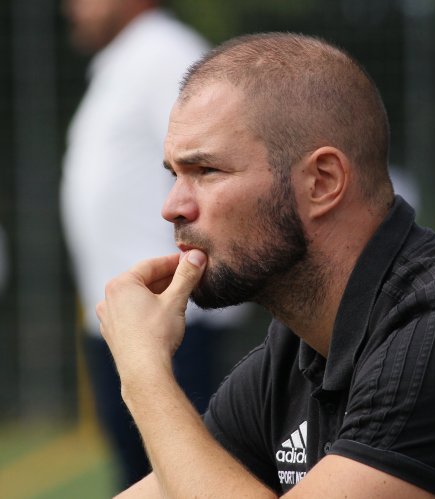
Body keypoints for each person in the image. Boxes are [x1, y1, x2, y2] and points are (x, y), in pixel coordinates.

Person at [96, 33, 435, 498]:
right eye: (174, 175)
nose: (173, 207)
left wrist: (144, 372)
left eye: (206, 171)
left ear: (322, 182)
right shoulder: (291, 359)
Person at [60, 0, 249, 489]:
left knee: (182, 482)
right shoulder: (122, 63)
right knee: (141, 479)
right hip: (127, 319)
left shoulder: (170, 56)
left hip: (175, 322)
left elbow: (226, 163)